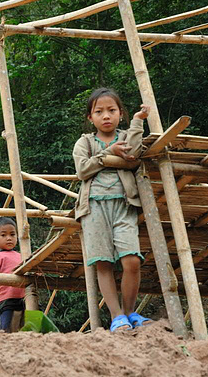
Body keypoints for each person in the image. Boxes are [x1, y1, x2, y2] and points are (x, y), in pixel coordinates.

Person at [72, 87, 152, 332]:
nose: (106, 116)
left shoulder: (126, 136)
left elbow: (135, 153)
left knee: (131, 261)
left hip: (124, 205)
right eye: (99, 111)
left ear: (121, 114)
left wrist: (138, 122)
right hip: (93, 207)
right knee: (103, 263)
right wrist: (108, 153)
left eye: (112, 110)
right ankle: (117, 316)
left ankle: (129, 312)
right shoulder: (84, 142)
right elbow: (83, 170)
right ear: (90, 117)